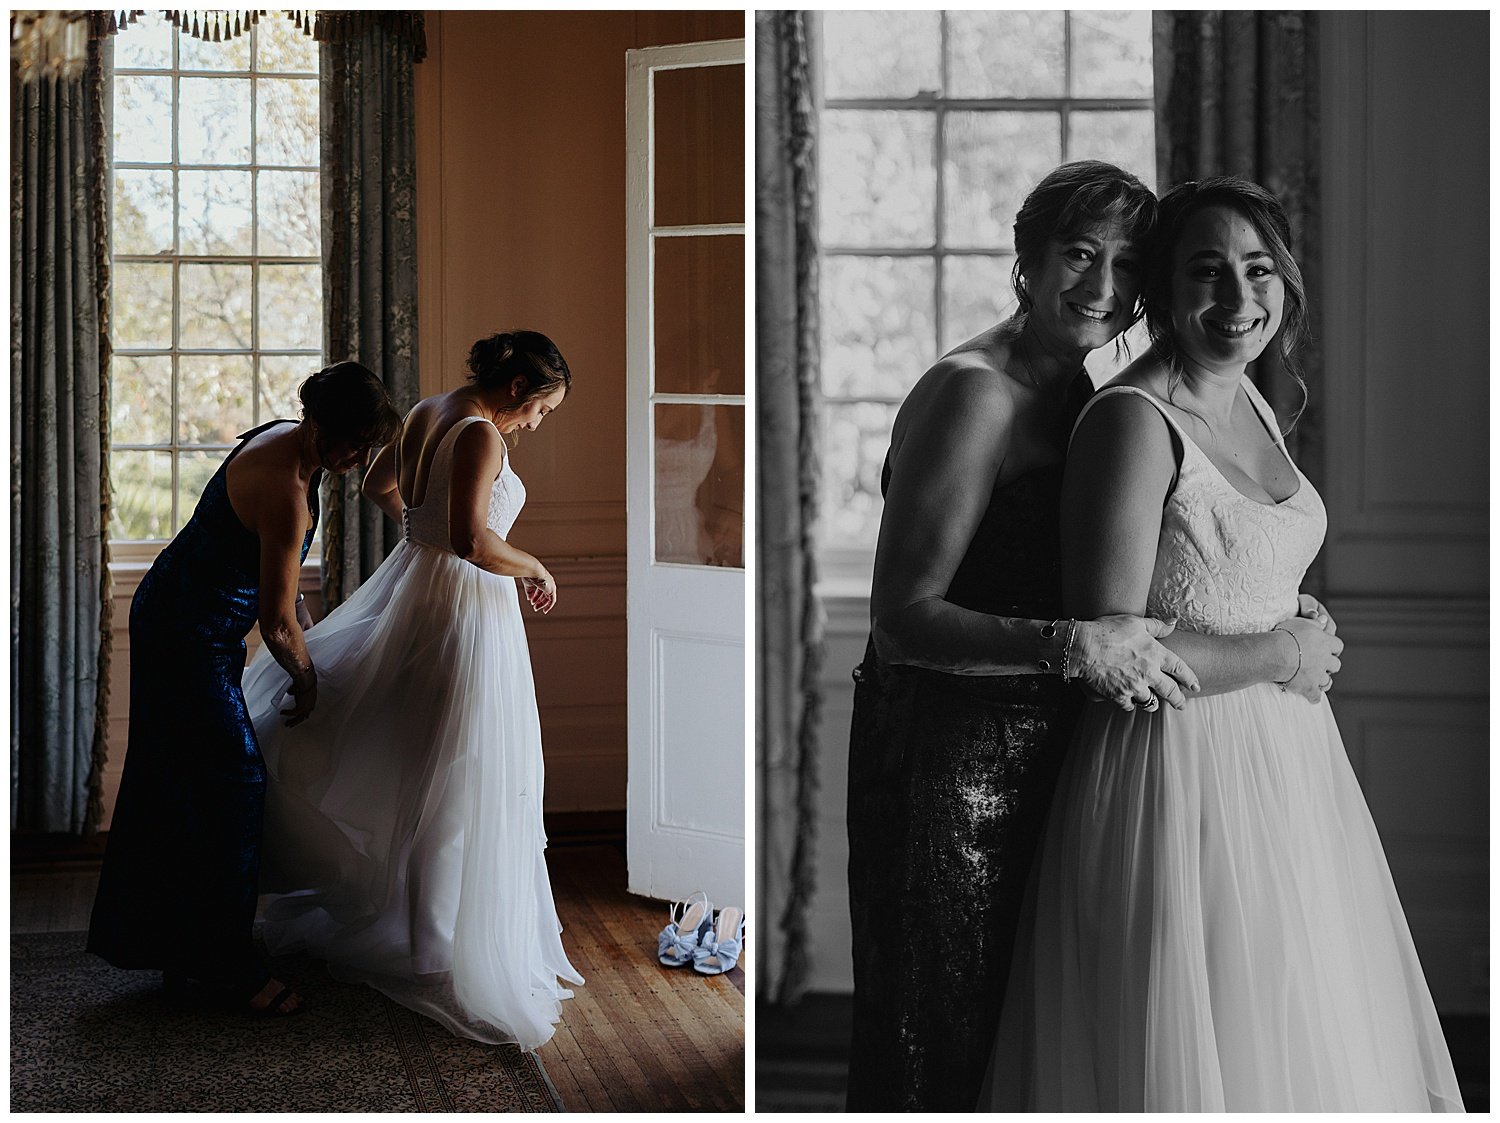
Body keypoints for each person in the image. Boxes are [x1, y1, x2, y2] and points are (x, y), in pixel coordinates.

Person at [981, 178, 1462, 1110]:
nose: (1238, 301)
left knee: (1294, 1029)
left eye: (1258, 271)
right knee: (1190, 1044)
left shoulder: (1248, 396)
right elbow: (1116, 651)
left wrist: (1298, 616)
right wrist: (1283, 656)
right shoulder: (1130, 421)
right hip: (1176, 768)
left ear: (1285, 282)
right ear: (1160, 289)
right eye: (1208, 272)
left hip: (1289, 765)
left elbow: (1231, 566)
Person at [845, 161, 1208, 1112]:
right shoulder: (978, 392)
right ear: (1027, 257)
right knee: (938, 1030)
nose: (1101, 288)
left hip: (1053, 751)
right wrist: (1073, 646)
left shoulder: (1092, 391)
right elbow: (899, 620)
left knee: (1028, 1031)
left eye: (1129, 265)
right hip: (946, 764)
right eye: (1079, 255)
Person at [240, 330, 584, 1051]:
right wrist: (535, 568)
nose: (537, 424)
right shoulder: (483, 433)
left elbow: (377, 485)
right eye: (543, 408)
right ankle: (432, 945)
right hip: (462, 608)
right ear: (519, 387)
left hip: (414, 590)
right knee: (458, 772)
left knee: (427, 763)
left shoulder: (430, 407)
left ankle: (426, 930)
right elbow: (471, 541)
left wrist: (418, 531)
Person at [87, 361, 401, 1017]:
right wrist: (309, 680)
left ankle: (181, 947)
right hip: (186, 636)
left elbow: (280, 595)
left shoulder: (287, 438)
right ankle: (227, 966)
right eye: (352, 442)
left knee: (182, 781)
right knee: (236, 784)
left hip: (186, 621)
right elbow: (278, 619)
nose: (357, 457)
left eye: (366, 444)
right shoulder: (287, 488)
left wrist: (314, 643)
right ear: (324, 425)